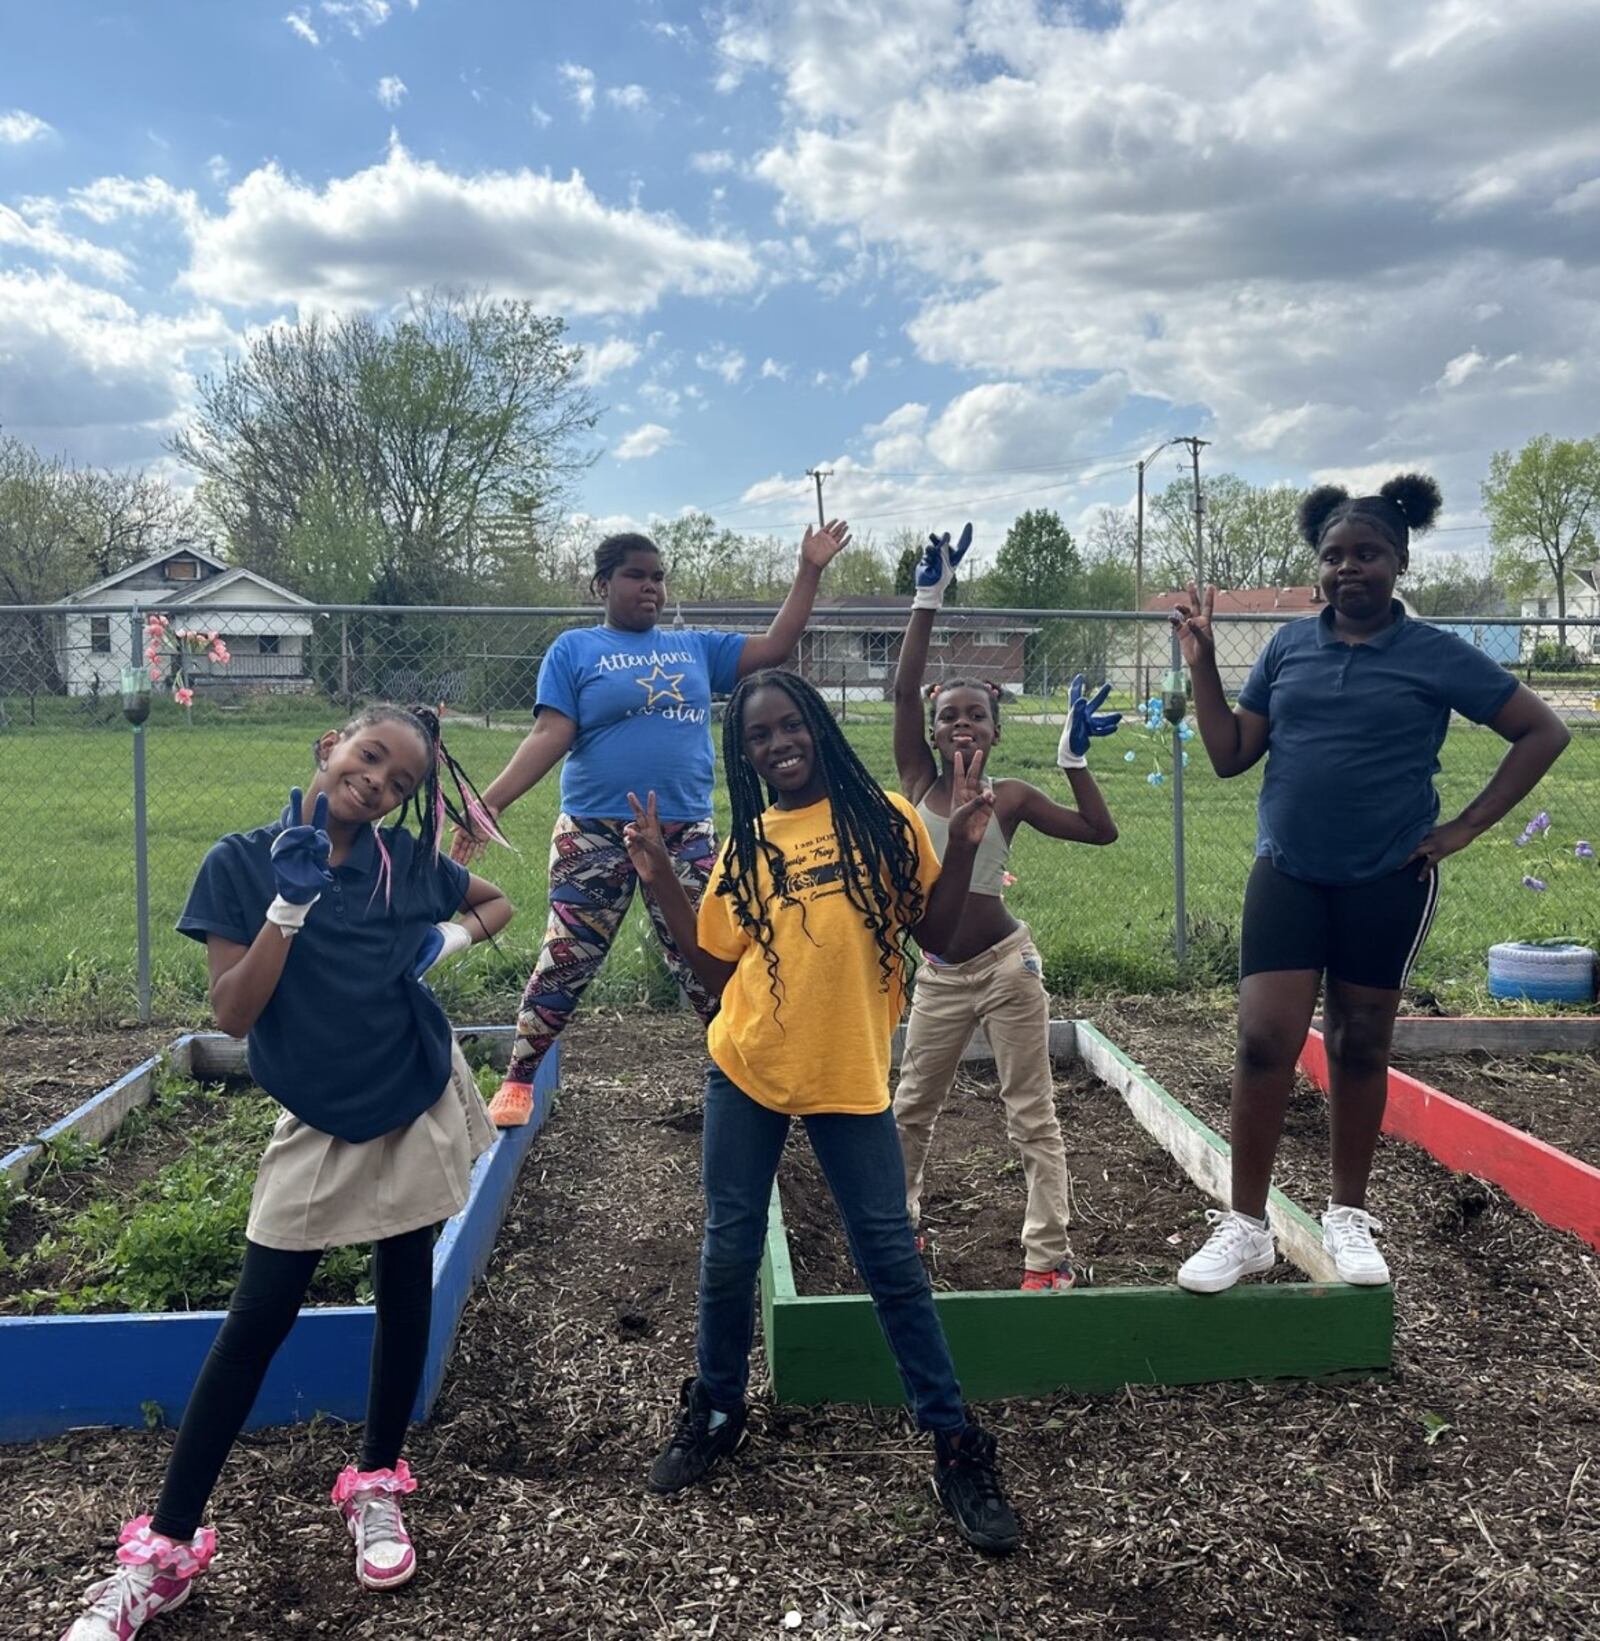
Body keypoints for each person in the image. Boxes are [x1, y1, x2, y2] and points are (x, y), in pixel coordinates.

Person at [60, 705, 515, 1640]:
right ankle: (166, 1553)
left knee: (404, 1284)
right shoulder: (240, 859)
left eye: (398, 783)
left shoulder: (404, 865)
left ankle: (377, 1485)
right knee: (257, 1317)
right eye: (369, 758)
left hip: (412, 1084)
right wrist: (287, 908)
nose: (378, 784)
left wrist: (441, 944)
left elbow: (495, 900)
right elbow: (233, 1013)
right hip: (319, 1107)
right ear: (330, 746)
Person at [621, 668, 1022, 1554]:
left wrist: (963, 847)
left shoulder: (883, 817)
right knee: (728, 1246)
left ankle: (955, 1441)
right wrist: (658, 877)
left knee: (888, 1257)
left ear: (818, 726)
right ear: (747, 752)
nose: (777, 744)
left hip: (847, 1075)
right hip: (749, 1064)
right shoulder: (752, 841)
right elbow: (716, 965)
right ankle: (717, 1407)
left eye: (789, 725)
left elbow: (943, 936)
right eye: (759, 735)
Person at [1171, 475, 1570, 1294]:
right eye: (1333, 556)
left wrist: (1465, 826)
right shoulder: (1287, 647)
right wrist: (1204, 664)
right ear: (1318, 566)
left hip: (1387, 878)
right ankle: (1246, 1226)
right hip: (1288, 870)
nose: (1348, 568)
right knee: (1262, 1040)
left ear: (1400, 561)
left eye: (1367, 553)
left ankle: (1347, 1214)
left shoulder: (1436, 655)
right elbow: (1230, 753)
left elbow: (1542, 729)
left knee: (1359, 1043)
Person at [454, 524, 852, 1127]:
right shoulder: (574, 649)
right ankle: (519, 1078)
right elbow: (549, 734)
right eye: (636, 575)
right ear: (602, 584)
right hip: (594, 830)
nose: (651, 587)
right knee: (568, 954)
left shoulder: (694, 648)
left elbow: (775, 647)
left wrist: (809, 568)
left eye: (658, 577)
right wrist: (490, 805)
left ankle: (744, 1079)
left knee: (711, 958)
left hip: (684, 833)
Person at [891, 525, 1120, 1291]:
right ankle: (902, 1227)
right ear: (934, 725)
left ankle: (1045, 1260)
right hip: (938, 973)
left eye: (976, 716)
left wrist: (1074, 760)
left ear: (994, 728)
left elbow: (1100, 830)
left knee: (1032, 1114)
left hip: (1006, 968)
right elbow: (903, 685)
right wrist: (929, 597)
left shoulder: (1010, 797)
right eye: (950, 714)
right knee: (910, 1108)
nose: (963, 725)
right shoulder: (919, 780)